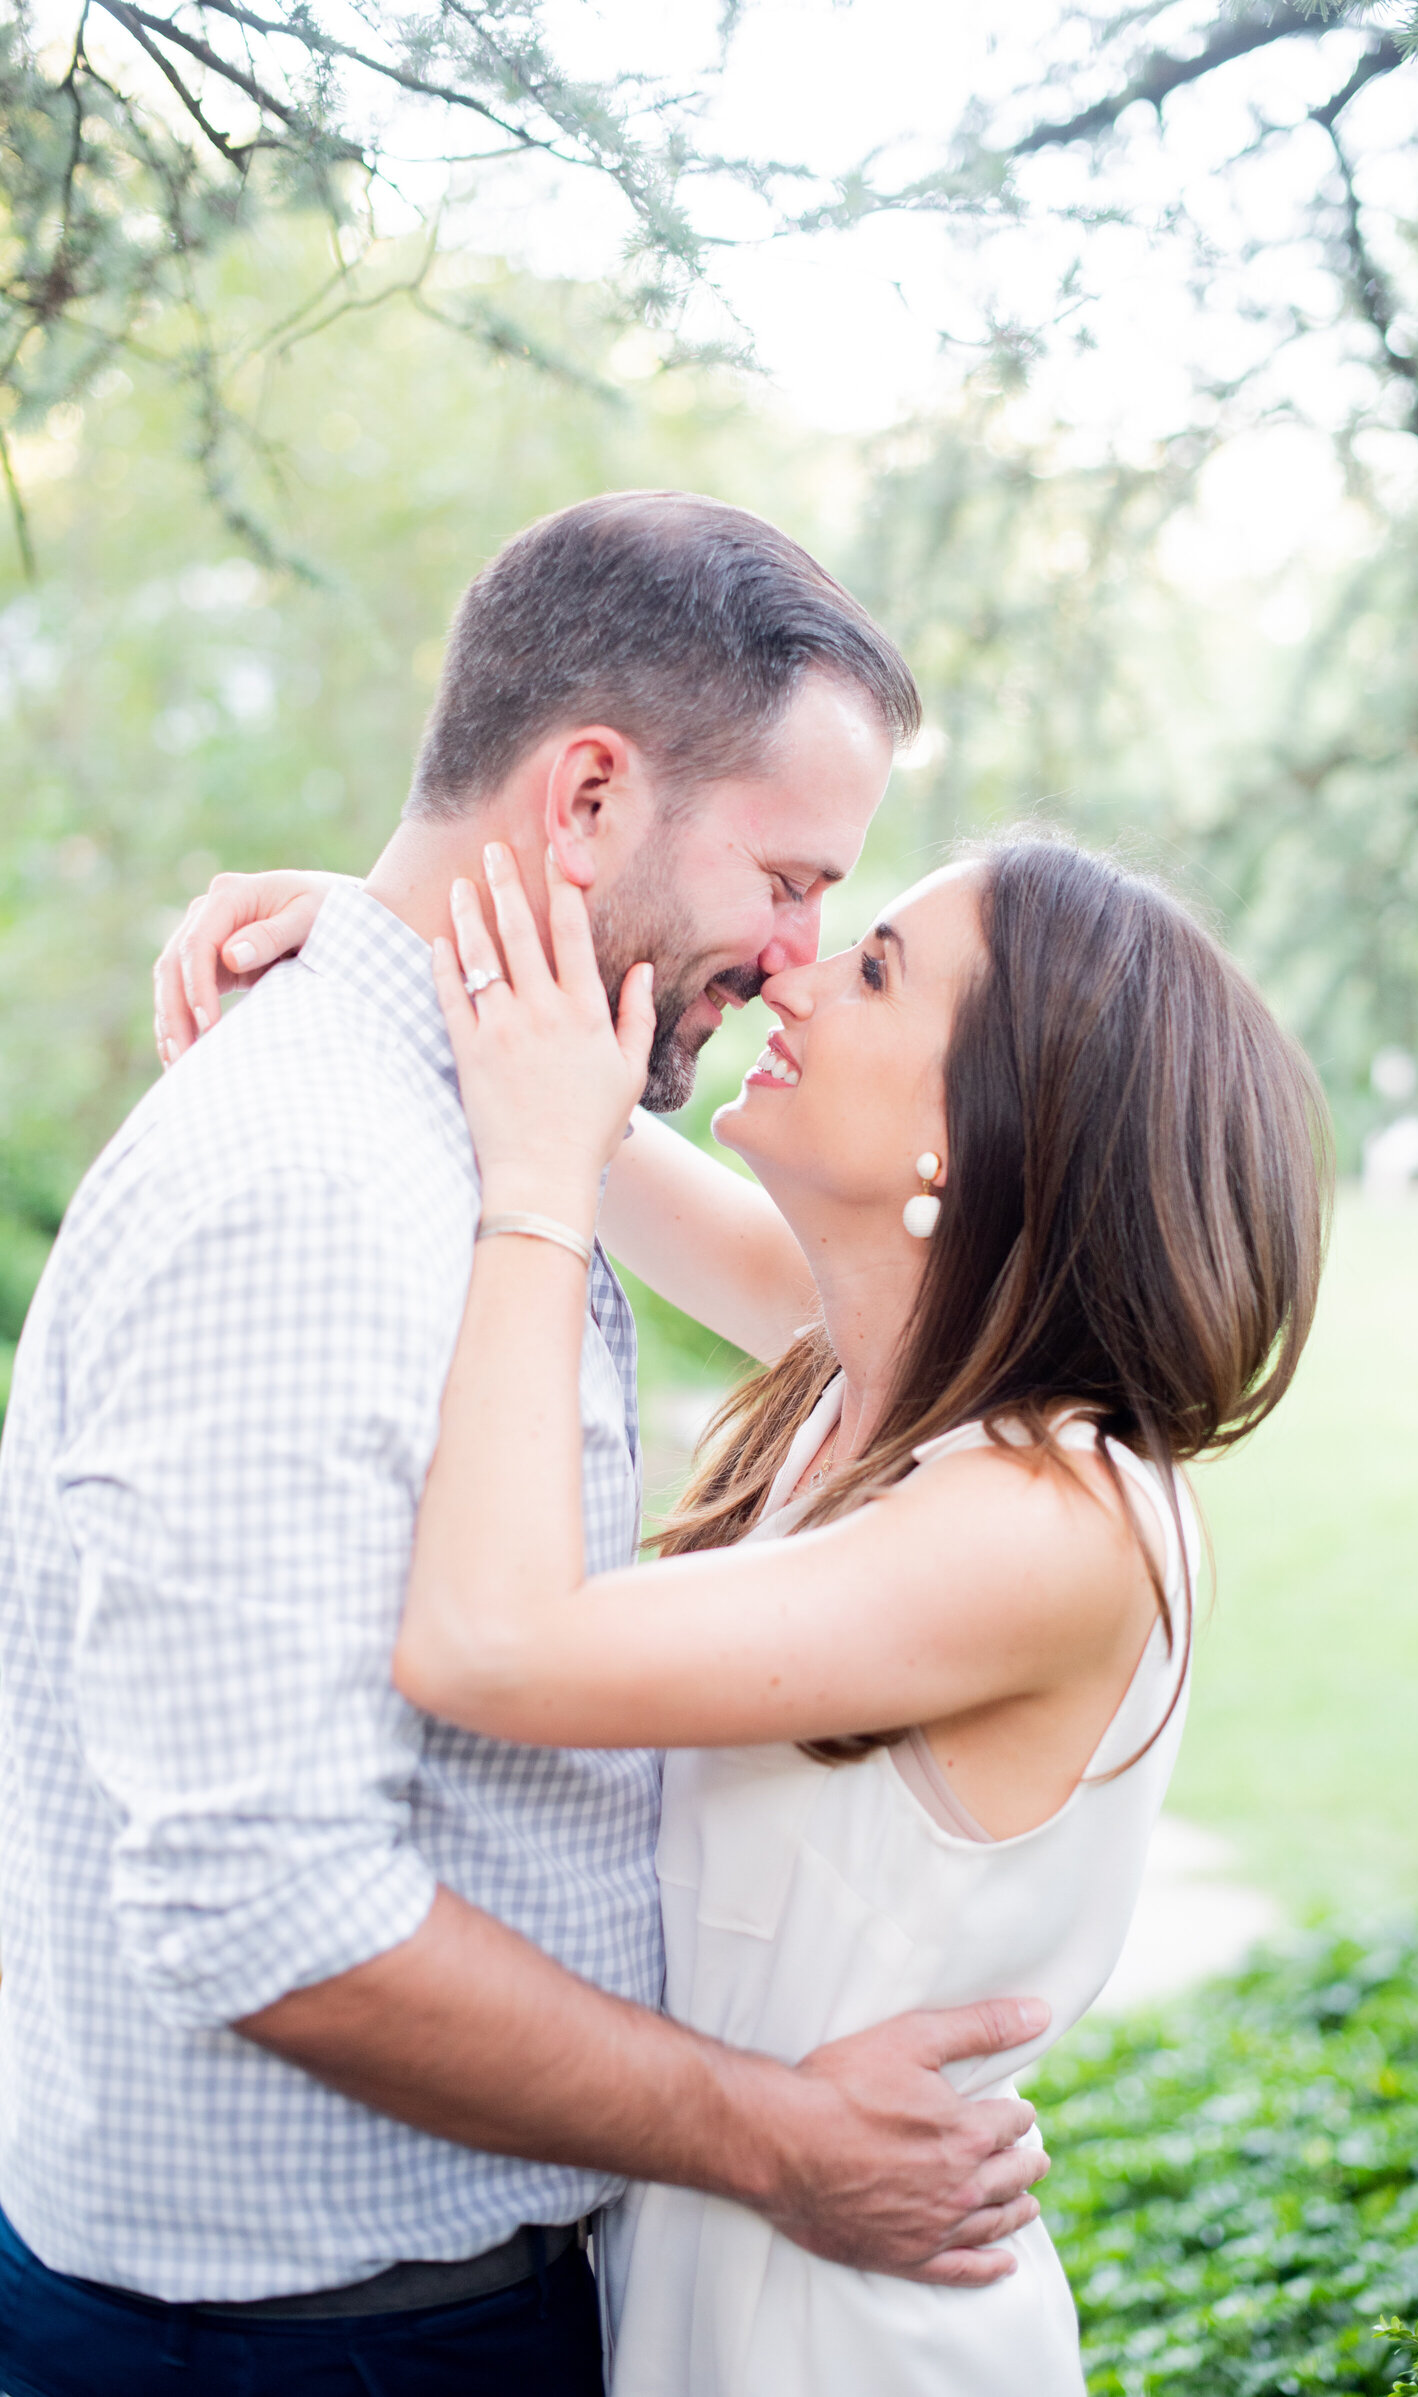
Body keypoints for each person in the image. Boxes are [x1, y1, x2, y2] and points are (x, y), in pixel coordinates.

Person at [0, 494, 1050, 2397]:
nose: (802, 957)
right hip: (306, 2352)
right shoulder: (316, 1188)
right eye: (797, 880)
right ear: (583, 801)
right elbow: (269, 1905)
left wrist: (387, 938)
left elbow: (881, 1306)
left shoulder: (486, 1120)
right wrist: (775, 2136)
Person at [171, 823, 1330, 2393]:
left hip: (846, 2331)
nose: (798, 963)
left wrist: (530, 1198)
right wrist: (382, 929)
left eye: (875, 968)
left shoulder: (1058, 1522)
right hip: (716, 2263)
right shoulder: (881, 1380)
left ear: (980, 1131)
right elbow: (563, 1088)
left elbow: (491, 1643)